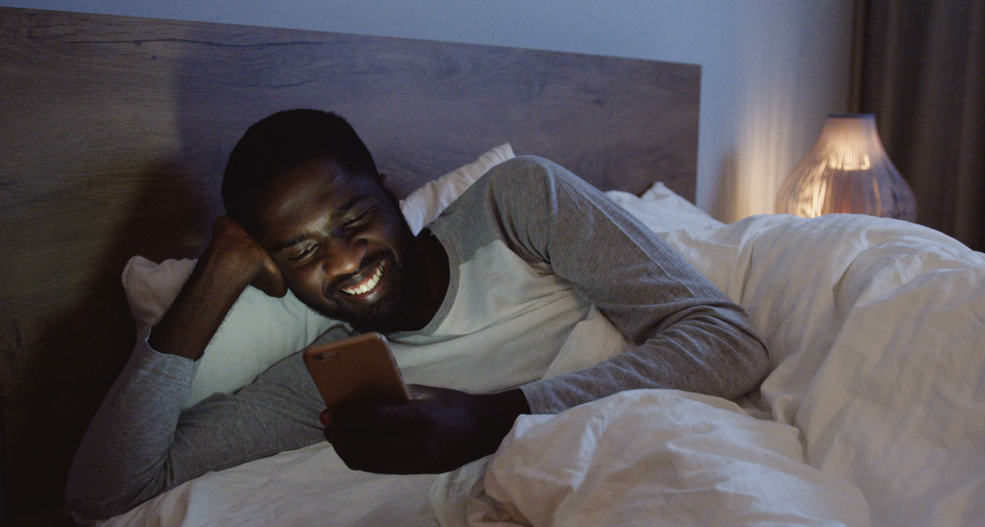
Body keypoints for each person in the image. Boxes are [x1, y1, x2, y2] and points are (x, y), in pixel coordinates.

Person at [65, 109, 769, 518]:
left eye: (353, 217)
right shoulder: (316, 382)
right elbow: (106, 493)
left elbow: (729, 341)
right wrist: (211, 281)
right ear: (275, 271)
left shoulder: (512, 203)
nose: (345, 260)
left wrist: (494, 416)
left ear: (390, 191)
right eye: (303, 249)